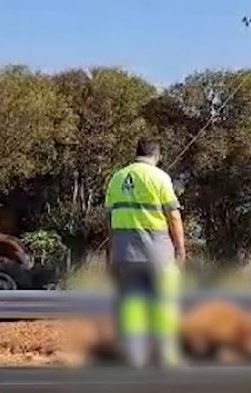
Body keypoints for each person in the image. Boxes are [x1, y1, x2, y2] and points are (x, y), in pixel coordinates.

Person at [105, 138, 185, 369]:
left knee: (131, 306)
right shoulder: (160, 177)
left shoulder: (117, 178)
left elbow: (110, 221)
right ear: (157, 155)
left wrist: (111, 255)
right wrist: (180, 250)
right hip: (157, 254)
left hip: (124, 254)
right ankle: (166, 357)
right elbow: (174, 216)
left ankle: (134, 358)